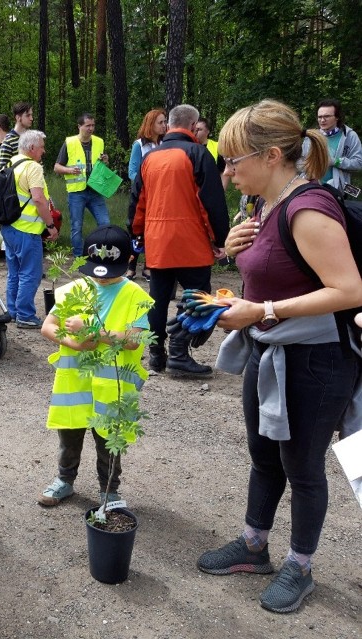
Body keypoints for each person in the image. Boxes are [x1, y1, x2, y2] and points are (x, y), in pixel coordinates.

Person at [199, 99, 362, 614]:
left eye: (233, 161)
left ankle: (300, 564)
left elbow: (349, 289)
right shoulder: (263, 205)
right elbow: (267, 268)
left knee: (303, 466)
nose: (226, 173)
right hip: (268, 350)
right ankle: (253, 545)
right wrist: (230, 249)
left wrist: (262, 309)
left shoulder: (308, 209)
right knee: (264, 455)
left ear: (272, 155)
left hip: (317, 359)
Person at [38, 225, 152, 508]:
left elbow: (135, 340)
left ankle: (109, 490)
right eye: (95, 271)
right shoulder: (73, 290)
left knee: (109, 440)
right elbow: (48, 327)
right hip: (74, 384)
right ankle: (65, 480)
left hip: (112, 388)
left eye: (110, 272)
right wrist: (74, 344)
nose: (101, 280)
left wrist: (95, 332)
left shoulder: (135, 295)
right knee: (69, 434)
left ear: (129, 262)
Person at [128, 104, 228, 377]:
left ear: (170, 124)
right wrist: (220, 238)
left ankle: (156, 356)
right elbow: (211, 202)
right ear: (194, 126)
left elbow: (138, 202)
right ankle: (179, 354)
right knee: (197, 297)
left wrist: (135, 234)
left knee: (158, 299)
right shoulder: (198, 153)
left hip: (158, 241)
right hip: (191, 241)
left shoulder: (150, 158)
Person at [2, 129, 59, 329]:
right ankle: (25, 314)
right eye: (42, 147)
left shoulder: (10, 163)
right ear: (32, 148)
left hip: (8, 227)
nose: (43, 151)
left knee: (15, 272)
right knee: (31, 273)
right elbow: (38, 199)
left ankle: (13, 311)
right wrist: (51, 225)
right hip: (27, 230)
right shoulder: (33, 168)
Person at [53, 113, 111, 258]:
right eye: (88, 126)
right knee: (76, 227)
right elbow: (56, 167)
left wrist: (105, 160)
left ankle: (100, 254)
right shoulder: (70, 142)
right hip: (77, 192)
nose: (91, 128)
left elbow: (102, 164)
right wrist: (69, 170)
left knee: (105, 224)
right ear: (79, 126)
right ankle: (79, 257)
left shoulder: (99, 142)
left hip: (95, 190)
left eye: (93, 125)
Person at [126, 109, 166, 280]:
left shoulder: (166, 144)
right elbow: (132, 171)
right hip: (142, 194)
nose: (164, 125)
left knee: (154, 230)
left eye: (165, 122)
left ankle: (150, 267)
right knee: (136, 230)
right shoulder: (140, 145)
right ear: (151, 124)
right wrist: (147, 183)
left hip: (160, 196)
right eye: (160, 122)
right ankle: (131, 266)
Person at [301, 99, 362, 192]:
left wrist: (335, 161)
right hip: (312, 188)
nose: (322, 120)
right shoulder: (311, 137)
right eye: (319, 117)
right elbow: (301, 162)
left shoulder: (349, 136)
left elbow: (358, 163)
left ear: (337, 117)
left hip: (338, 191)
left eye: (327, 116)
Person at [194, 117, 230, 189]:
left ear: (207, 131)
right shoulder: (188, 146)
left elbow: (224, 170)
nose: (196, 132)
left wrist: (221, 191)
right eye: (195, 129)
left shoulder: (217, 147)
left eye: (200, 129)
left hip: (210, 190)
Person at [0, 101, 33, 170]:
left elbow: (39, 164)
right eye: (28, 115)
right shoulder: (8, 141)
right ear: (18, 118)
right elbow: (2, 171)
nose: (31, 118)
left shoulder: (32, 139)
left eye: (31, 115)